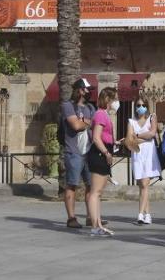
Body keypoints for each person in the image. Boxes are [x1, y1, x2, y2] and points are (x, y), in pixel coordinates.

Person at [59, 78, 94, 228]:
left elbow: (92, 123)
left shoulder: (91, 107)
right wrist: (87, 121)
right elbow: (75, 125)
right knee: (72, 185)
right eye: (86, 89)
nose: (88, 92)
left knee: (91, 185)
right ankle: (71, 218)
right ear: (80, 90)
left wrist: (84, 121)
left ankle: (90, 216)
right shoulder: (68, 106)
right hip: (73, 151)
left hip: (89, 151)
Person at [85, 87, 118, 237]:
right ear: (108, 99)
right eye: (115, 99)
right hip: (99, 154)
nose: (117, 102)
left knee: (98, 193)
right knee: (95, 192)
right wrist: (106, 152)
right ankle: (94, 226)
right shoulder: (100, 115)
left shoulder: (103, 114)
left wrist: (115, 142)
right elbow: (96, 137)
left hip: (103, 152)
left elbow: (103, 136)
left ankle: (98, 224)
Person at [129, 97, 161, 225]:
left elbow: (152, 133)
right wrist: (143, 137)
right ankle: (148, 215)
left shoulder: (152, 117)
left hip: (149, 155)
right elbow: (130, 139)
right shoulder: (131, 122)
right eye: (138, 105)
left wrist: (137, 136)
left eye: (143, 105)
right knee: (142, 185)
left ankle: (140, 214)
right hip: (137, 154)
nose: (140, 107)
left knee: (145, 183)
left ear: (147, 106)